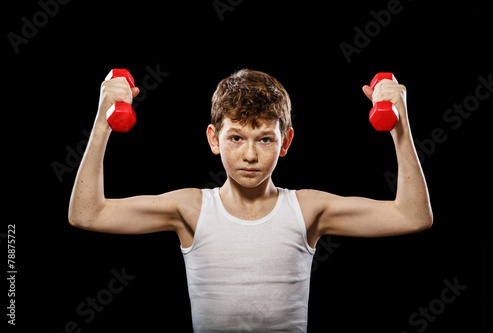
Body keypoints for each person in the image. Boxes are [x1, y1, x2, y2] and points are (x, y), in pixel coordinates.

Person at [68, 68, 432, 332]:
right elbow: (87, 213)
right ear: (214, 139)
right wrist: (103, 120)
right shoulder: (191, 209)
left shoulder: (307, 210)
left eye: (265, 139)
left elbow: (411, 216)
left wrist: (401, 125)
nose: (250, 155)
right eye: (237, 138)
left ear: (285, 141)